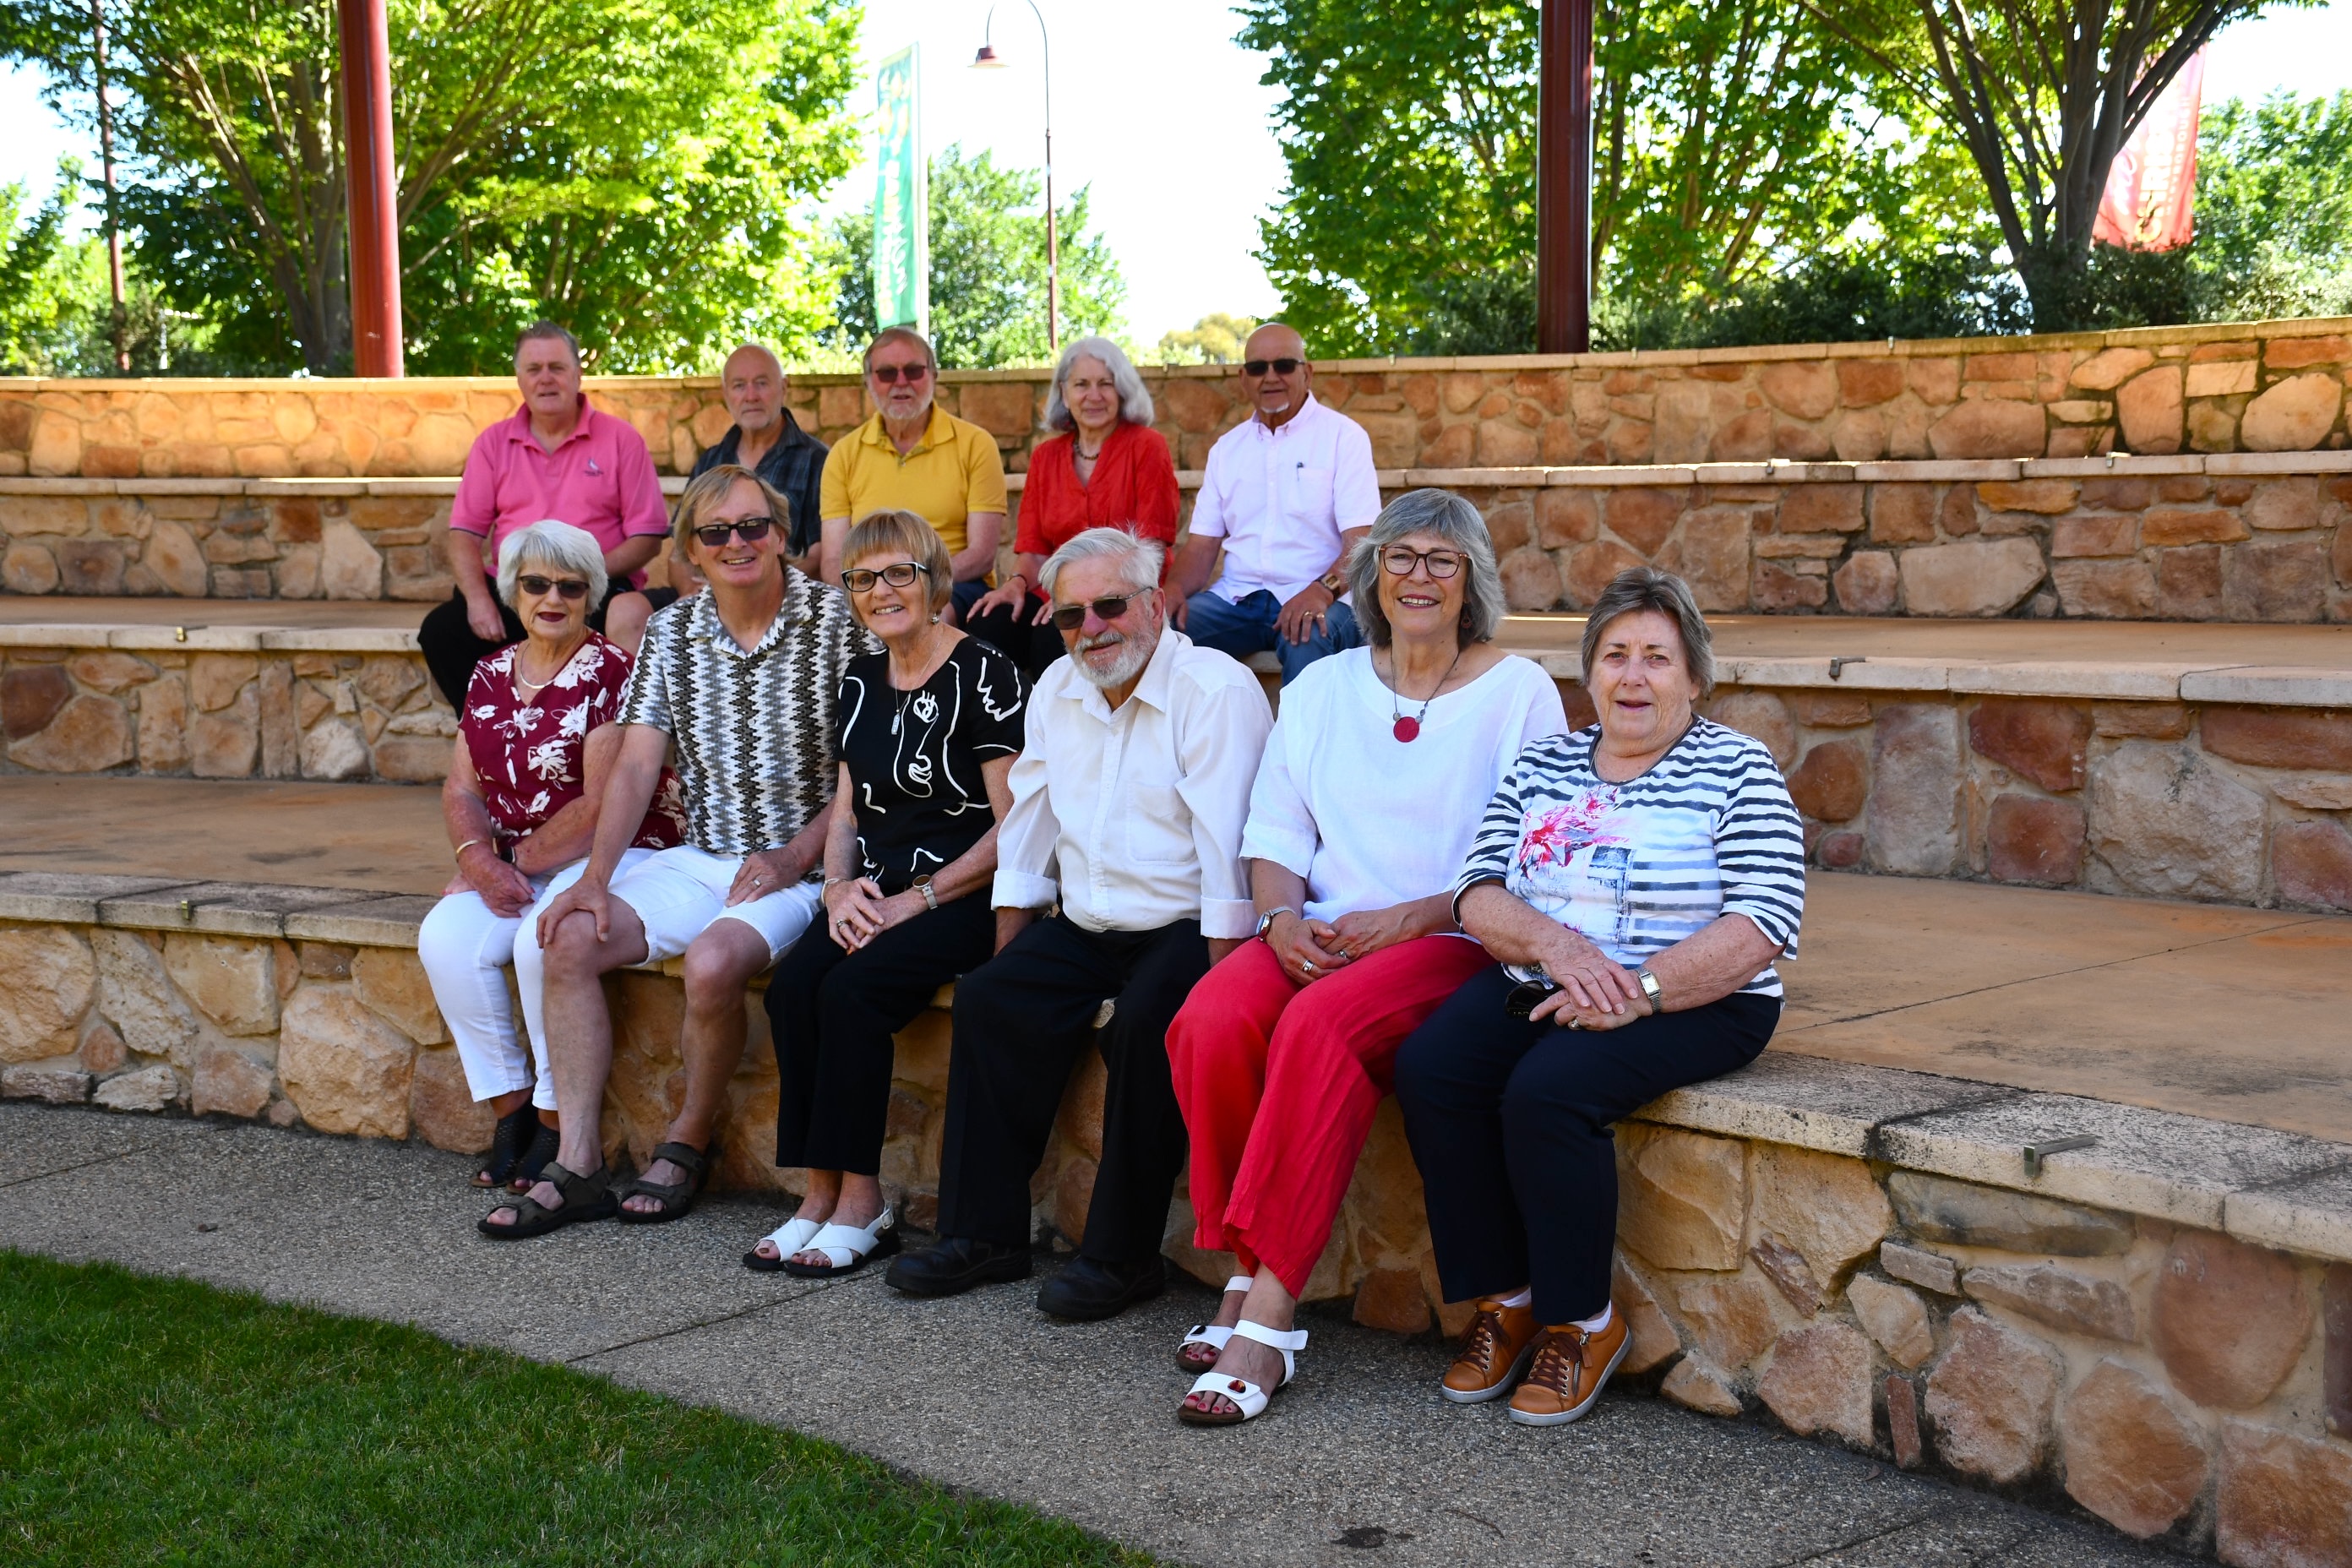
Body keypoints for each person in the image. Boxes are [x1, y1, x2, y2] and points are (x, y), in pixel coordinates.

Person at [1162, 490, 1567, 1425]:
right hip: (1322, 931)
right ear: (1370, 574)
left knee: (1317, 1026)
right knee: (1210, 1016)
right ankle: (1243, 1261)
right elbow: (1276, 832)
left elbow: (1530, 859)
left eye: (1442, 560)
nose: (1418, 576)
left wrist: (1414, 917)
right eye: (1400, 556)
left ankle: (1268, 1313)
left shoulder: (1519, 694)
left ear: (1471, 581)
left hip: (1456, 940)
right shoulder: (1321, 688)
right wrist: (1278, 921)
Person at [1392, 567, 1806, 1427]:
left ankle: (1582, 1320)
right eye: (1615, 655)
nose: (1633, 676)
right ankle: (1508, 1298)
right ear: (1590, 673)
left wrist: (1641, 991)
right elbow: (1477, 888)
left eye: (1658, 657)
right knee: (1434, 1067)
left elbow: (1765, 917)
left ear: (1695, 677)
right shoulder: (1546, 763)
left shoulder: (1738, 767)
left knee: (1549, 1090)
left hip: (1700, 997)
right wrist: (1556, 946)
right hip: (1548, 975)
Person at [478, 465, 879, 1239]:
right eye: (715, 532)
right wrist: (595, 878)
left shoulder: (837, 620)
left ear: (782, 534)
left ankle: (687, 1141)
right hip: (703, 856)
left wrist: (796, 857)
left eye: (753, 526)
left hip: (805, 865)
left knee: (713, 961)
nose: (737, 543)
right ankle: (580, 1163)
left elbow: (863, 765)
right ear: (690, 550)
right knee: (567, 935)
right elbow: (635, 764)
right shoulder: (672, 631)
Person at [885, 527, 1271, 1320]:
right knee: (990, 1000)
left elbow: (1228, 850)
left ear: (1155, 605)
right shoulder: (1059, 687)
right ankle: (983, 1236)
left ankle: (1123, 1257)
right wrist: (1009, 949)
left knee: (1147, 1024)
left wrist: (1223, 978)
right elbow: (1029, 823)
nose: (1091, 628)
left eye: (1109, 607)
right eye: (1070, 615)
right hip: (1088, 917)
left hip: (1188, 923)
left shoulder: (1216, 690)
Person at [743, 510, 1027, 1277]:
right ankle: (818, 1195)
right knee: (793, 991)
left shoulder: (986, 673)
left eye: (900, 572)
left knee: (852, 994)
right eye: (863, 578)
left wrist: (917, 900)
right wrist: (837, 890)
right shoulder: (861, 680)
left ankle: (862, 1205)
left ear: (935, 581)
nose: (882, 590)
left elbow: (1016, 826)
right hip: (873, 890)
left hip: (963, 894)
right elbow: (847, 812)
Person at [416, 521, 688, 1192]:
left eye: (571, 586)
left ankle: (551, 1116)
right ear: (514, 591)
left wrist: (508, 860)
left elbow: (599, 805)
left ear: (592, 595)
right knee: (444, 938)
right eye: (536, 584)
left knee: (540, 941)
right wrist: (476, 859)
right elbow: (461, 786)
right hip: (518, 860)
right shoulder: (488, 673)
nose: (553, 598)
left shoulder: (613, 673)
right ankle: (510, 1109)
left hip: (611, 853)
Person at [418, 321, 672, 709]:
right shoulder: (493, 443)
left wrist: (579, 574)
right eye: (534, 369)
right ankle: (496, 731)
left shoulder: (622, 440)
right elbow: (464, 534)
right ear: (519, 378)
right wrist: (478, 601)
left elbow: (648, 539)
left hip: (593, 589)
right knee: (441, 631)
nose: (546, 379)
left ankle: (588, 735)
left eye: (557, 367)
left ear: (578, 374)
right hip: (514, 589)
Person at [1166, 323, 1380, 684]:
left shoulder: (1343, 437)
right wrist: (1171, 590)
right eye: (1257, 368)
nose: (1270, 377)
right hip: (1236, 600)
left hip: (1321, 595)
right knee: (1159, 634)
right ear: (1244, 378)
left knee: (1309, 637)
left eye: (1283, 365)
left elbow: (1361, 542)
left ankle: (1298, 727)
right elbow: (1201, 546)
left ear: (1307, 373)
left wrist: (1321, 590)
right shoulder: (1227, 449)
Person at [964, 336, 1179, 676]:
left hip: (1120, 595)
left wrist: (1078, 596)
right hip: (1054, 592)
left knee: (1054, 635)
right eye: (1082, 384)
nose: (1094, 395)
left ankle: (1066, 710)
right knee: (990, 622)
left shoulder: (1148, 446)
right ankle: (1012, 712)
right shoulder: (1045, 457)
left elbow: (1151, 548)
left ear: (1121, 390)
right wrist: (1015, 584)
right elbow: (1034, 551)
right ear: (1064, 393)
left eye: (1105, 384)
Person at [819, 328, 1008, 623]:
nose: (901, 382)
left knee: (932, 616)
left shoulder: (976, 444)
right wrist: (872, 588)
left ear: (934, 375)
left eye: (913, 370)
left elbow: (981, 554)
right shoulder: (843, 454)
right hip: (870, 587)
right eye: (887, 373)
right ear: (868, 381)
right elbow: (833, 561)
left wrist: (911, 584)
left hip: (951, 583)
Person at [691, 343, 830, 567]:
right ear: (725, 393)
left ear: (783, 388)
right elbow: (679, 553)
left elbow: (822, 556)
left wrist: (763, 586)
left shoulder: (818, 461)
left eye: (761, 383)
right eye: (739, 385)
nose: (751, 396)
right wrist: (690, 585)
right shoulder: (708, 462)